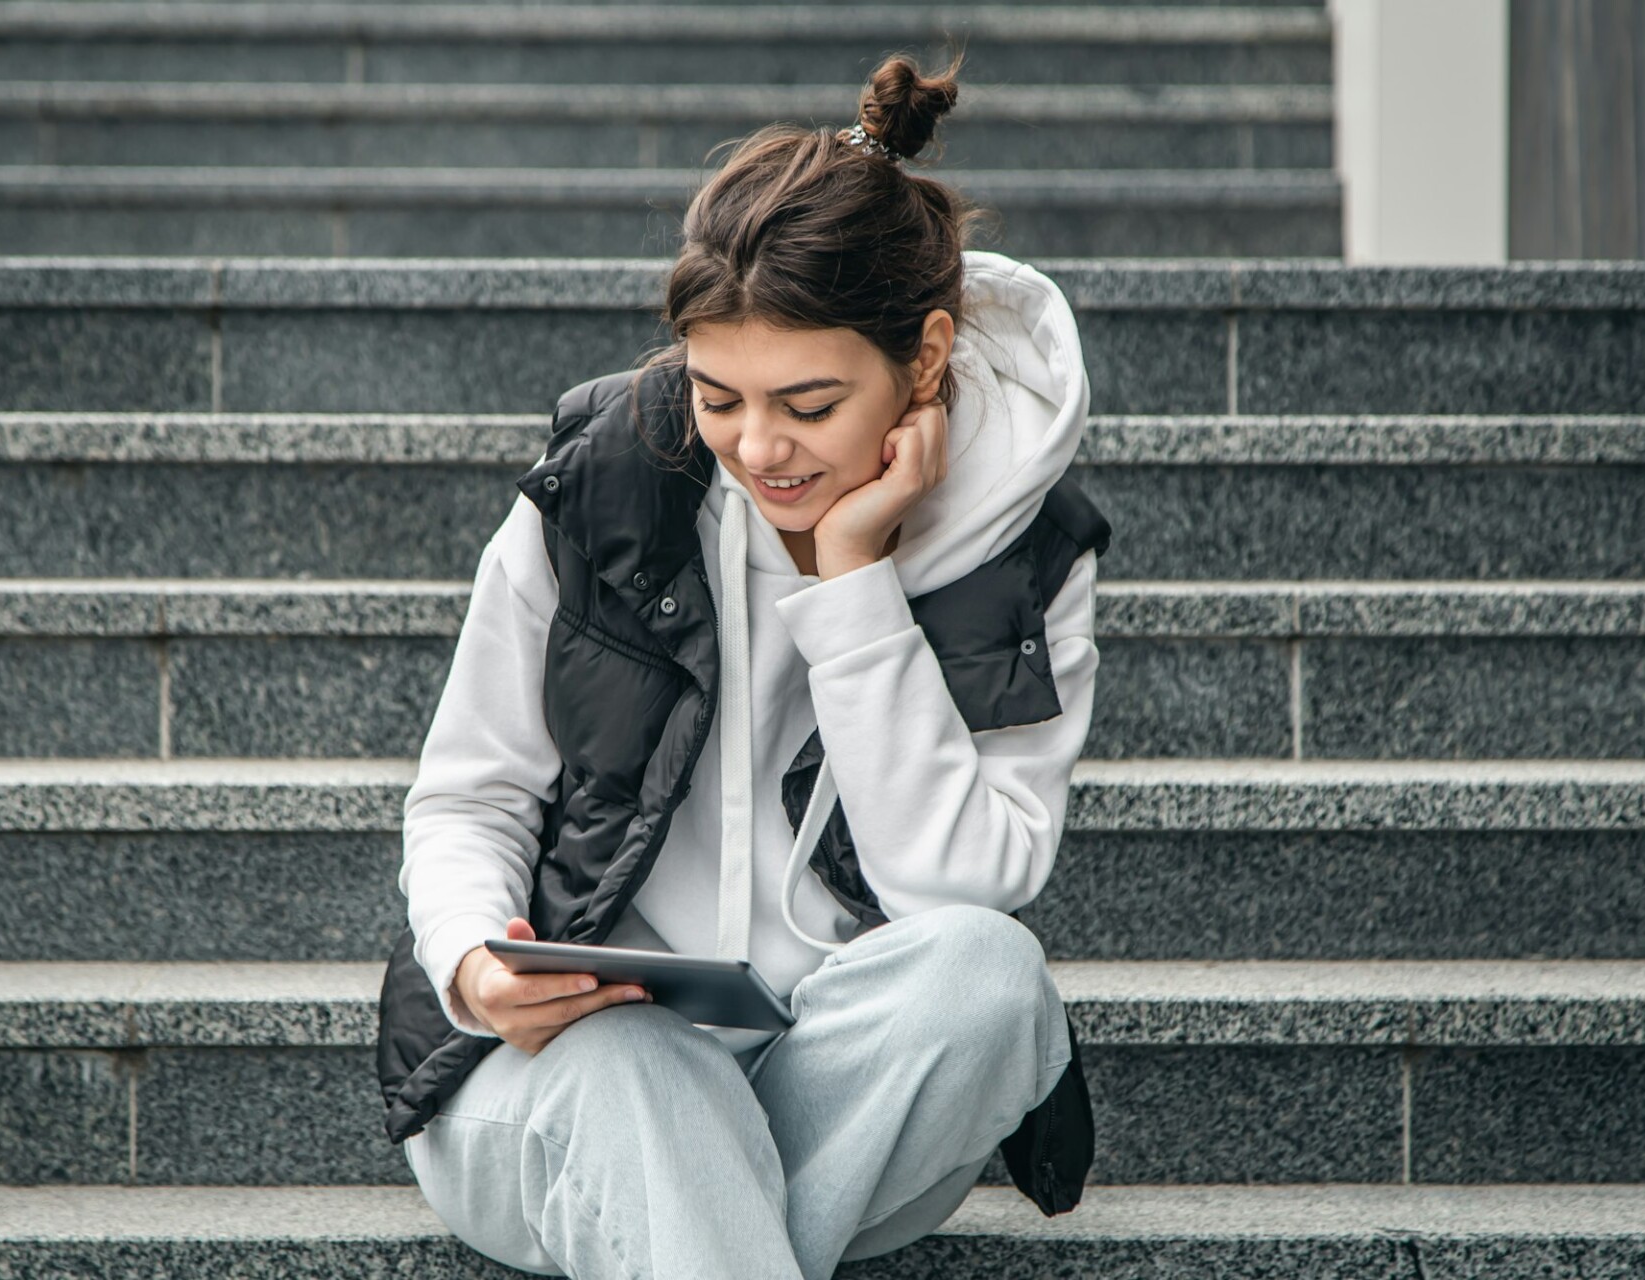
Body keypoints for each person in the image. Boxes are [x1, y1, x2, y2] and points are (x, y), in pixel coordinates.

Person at [375, 50, 1105, 1280]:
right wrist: (473, 961)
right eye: (719, 397)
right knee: (645, 1075)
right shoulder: (603, 485)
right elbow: (469, 793)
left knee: (992, 976)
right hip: (572, 1071)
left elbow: (962, 881)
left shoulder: (1024, 553)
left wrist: (853, 578)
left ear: (925, 360)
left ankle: (694, 1235)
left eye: (809, 405)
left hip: (839, 1093)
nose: (757, 448)